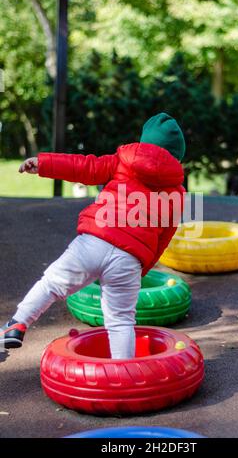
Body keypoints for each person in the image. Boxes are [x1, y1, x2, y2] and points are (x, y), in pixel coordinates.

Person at [0, 113, 185, 359]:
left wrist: (44, 163)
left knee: (52, 283)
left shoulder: (123, 161)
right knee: (120, 320)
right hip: (129, 258)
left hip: (95, 239)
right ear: (177, 155)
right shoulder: (177, 191)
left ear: (144, 142)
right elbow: (164, 237)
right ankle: (123, 375)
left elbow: (84, 167)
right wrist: (142, 267)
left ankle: (17, 324)